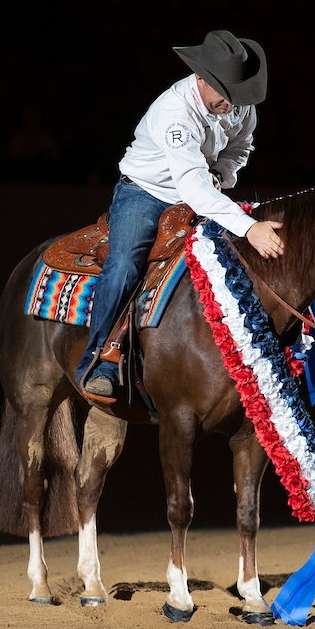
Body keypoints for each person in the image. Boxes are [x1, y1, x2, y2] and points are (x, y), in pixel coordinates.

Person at [77, 30, 285, 399]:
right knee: (125, 263)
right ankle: (98, 360)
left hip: (202, 189)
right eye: (224, 93)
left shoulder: (238, 101)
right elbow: (194, 190)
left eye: (237, 95)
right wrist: (249, 227)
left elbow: (241, 147)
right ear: (201, 78)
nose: (232, 104)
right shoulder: (175, 114)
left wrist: (221, 172)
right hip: (145, 193)